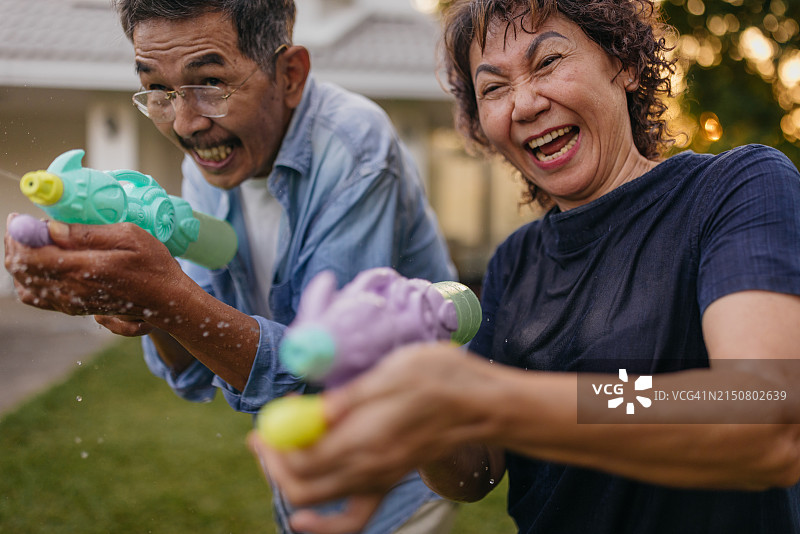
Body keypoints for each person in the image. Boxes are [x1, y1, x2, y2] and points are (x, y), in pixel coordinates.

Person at [249, 0, 800, 533]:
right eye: (493, 88)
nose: (525, 103)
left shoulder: (734, 190)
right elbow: (476, 473)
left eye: (548, 62)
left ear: (624, 63)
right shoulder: (515, 262)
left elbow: (763, 411)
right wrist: (417, 399)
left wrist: (487, 397)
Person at [4, 0, 460, 532]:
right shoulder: (211, 162)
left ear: (289, 75)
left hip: (403, 476)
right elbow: (198, 370)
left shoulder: (355, 150)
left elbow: (325, 368)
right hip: (302, 478)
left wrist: (166, 297)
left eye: (210, 84)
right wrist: (148, 308)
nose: (185, 122)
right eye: (158, 90)